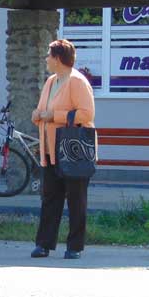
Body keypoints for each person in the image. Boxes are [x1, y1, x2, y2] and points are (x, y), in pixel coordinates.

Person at [31, 39, 95, 259]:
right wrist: (37, 114)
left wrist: (55, 116)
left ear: (58, 59)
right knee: (50, 198)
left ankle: (74, 246)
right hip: (50, 150)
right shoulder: (51, 81)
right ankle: (43, 244)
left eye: (49, 55)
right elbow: (43, 109)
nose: (46, 59)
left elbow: (86, 114)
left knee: (76, 199)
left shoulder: (77, 81)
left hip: (72, 151)